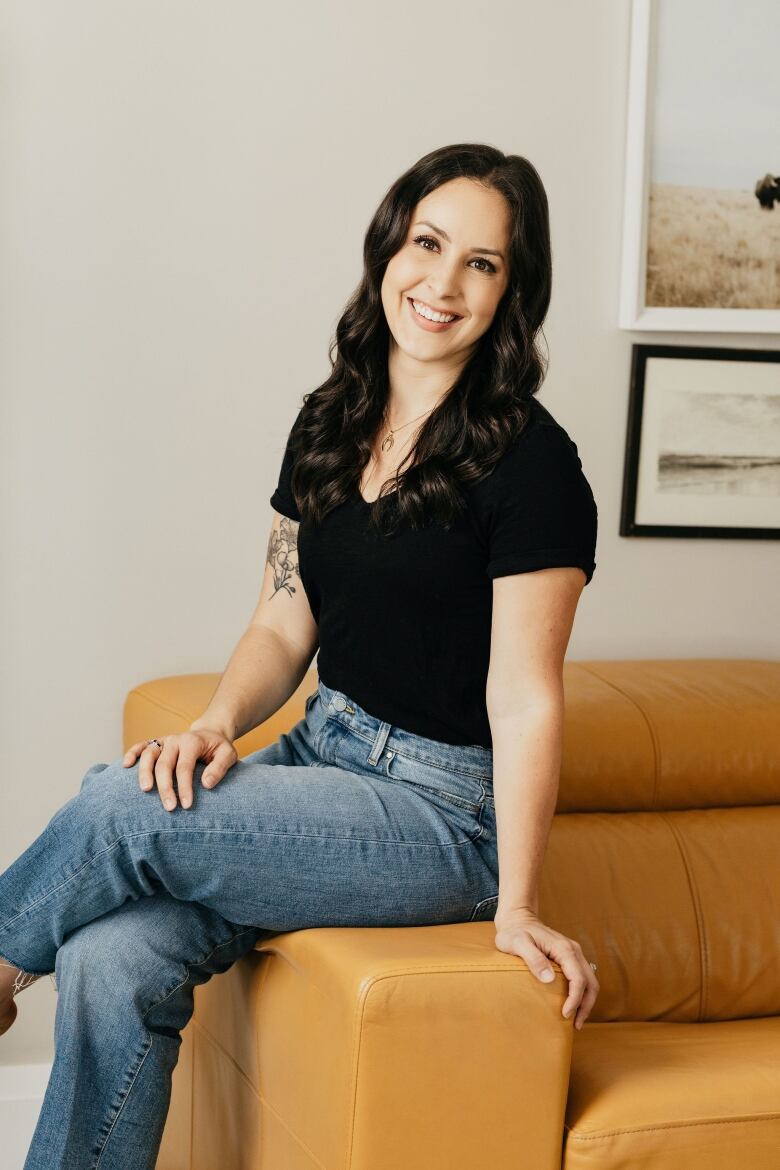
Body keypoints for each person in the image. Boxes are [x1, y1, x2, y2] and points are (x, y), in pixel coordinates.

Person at [0, 142, 599, 1170]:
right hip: (323, 754)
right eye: (428, 243)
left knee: (119, 802)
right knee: (106, 955)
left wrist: (520, 906)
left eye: (484, 264)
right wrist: (213, 726)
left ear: (512, 292)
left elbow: (527, 700)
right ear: (388, 248)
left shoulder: (534, 465)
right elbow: (283, 622)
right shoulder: (331, 421)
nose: (444, 284)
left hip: (439, 813)